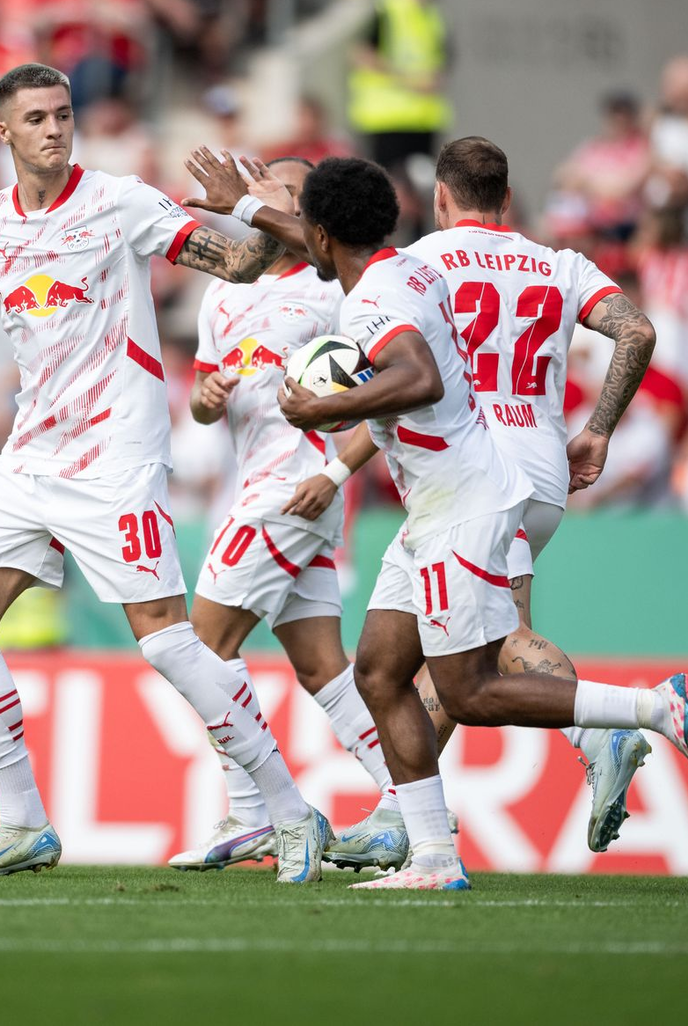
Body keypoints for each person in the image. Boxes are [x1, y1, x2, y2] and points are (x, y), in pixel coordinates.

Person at [0, 64, 329, 882]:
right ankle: (23, 823)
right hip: (30, 454)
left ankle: (290, 812)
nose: (54, 128)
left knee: (169, 643)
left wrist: (247, 211)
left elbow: (238, 265)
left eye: (63, 113)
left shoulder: (121, 201)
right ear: (4, 132)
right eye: (36, 118)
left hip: (116, 455)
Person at [188, 152, 688, 891]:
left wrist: (323, 406)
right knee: (378, 671)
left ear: (321, 235)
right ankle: (431, 855)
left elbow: (417, 376)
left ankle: (656, 706)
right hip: (448, 499)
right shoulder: (405, 269)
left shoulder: (380, 292)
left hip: (464, 500)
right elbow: (325, 243)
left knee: (468, 690)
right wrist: (247, 209)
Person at [294, 137, 656, 867]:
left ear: (440, 198)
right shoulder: (557, 263)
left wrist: (333, 453)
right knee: (413, 657)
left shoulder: (418, 264)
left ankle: (608, 728)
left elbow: (410, 379)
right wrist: (598, 430)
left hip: (478, 468)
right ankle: (406, 821)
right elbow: (636, 330)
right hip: (543, 464)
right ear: (508, 198)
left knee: (488, 650)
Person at [167, 155, 399, 871]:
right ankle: (410, 804)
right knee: (324, 667)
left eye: (289, 191)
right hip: (257, 490)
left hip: (295, 491)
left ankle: (257, 811)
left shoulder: (333, 292)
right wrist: (206, 399)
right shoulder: (222, 295)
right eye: (269, 186)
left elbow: (393, 398)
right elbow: (205, 401)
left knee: (200, 647)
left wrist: (335, 472)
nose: (273, 197)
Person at [347, 0, 450, 174]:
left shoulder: (432, 14)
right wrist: (409, 80)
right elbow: (361, 55)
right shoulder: (387, 6)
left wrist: (432, 81)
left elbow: (440, 64)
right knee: (388, 182)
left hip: (423, 119)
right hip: (386, 118)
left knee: (421, 183)